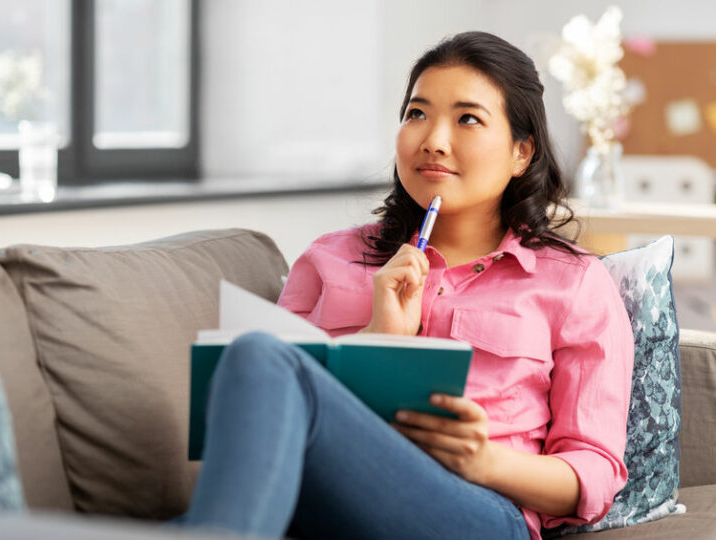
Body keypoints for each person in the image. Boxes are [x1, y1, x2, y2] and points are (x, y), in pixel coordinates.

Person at [180, 31, 634, 540]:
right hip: (319, 497)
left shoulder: (572, 284)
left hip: (480, 510)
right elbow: (269, 429)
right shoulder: (330, 258)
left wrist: (484, 461)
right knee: (254, 356)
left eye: (468, 119)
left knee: (261, 355)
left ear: (520, 153)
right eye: (417, 114)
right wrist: (379, 338)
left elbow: (593, 477)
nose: (433, 140)